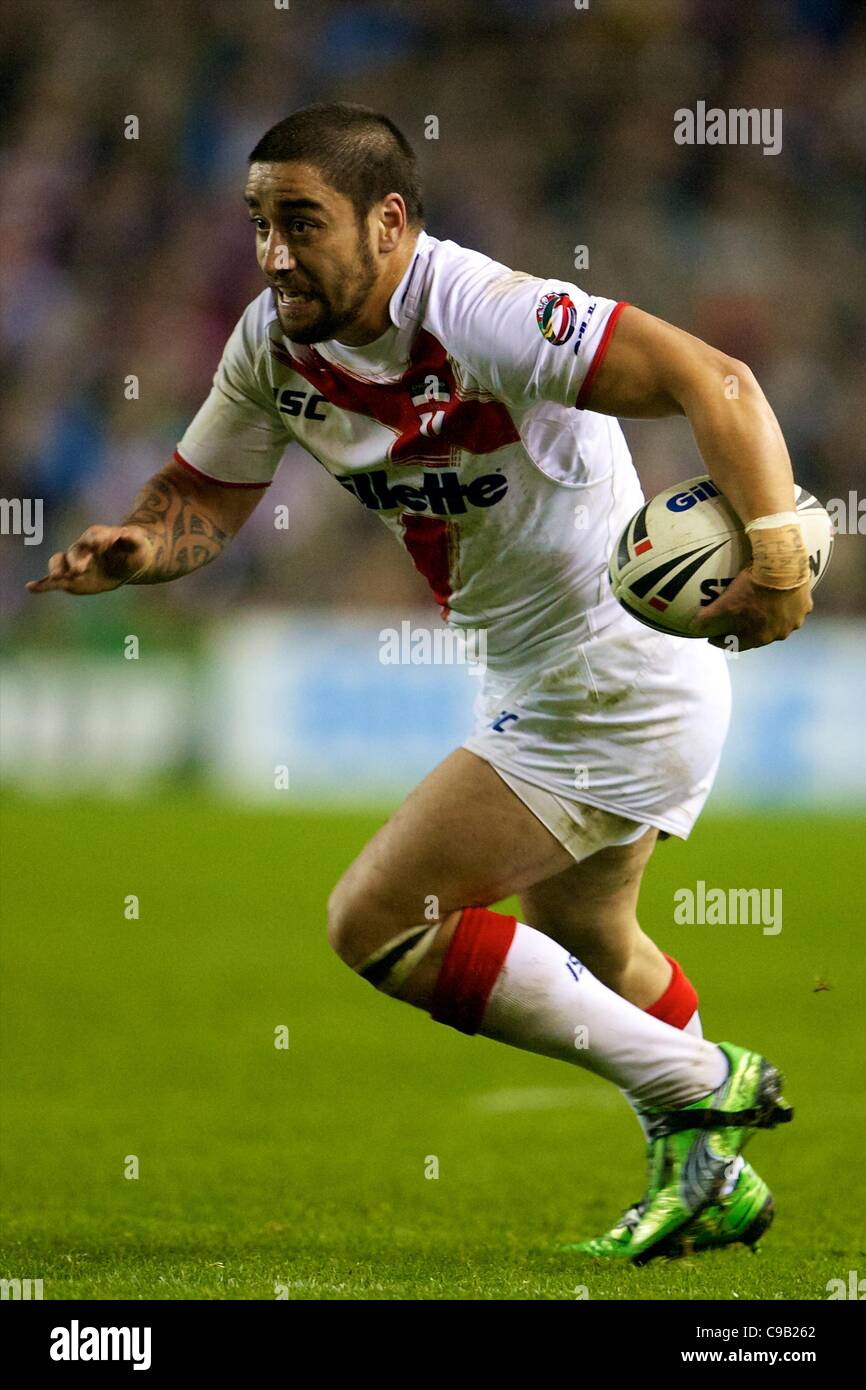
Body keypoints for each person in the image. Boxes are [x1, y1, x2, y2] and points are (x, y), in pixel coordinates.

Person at [29, 103, 811, 1262]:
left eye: (300, 222)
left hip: (611, 674)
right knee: (589, 935)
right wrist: (141, 546)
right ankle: (706, 1172)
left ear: (388, 221)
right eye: (257, 223)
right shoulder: (275, 344)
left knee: (377, 918)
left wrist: (779, 556)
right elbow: (204, 493)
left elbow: (719, 381)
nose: (272, 253)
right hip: (535, 673)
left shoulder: (490, 315)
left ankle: (704, 1076)